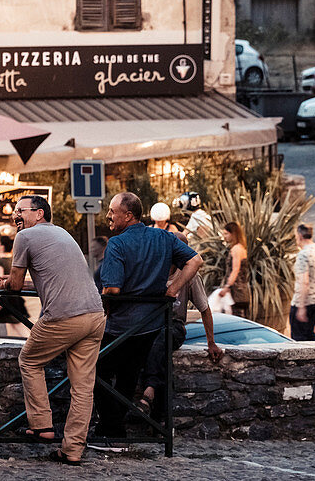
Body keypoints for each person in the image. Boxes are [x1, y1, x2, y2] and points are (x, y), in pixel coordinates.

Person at [0, 195, 105, 466]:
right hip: (94, 315)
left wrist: (3, 283)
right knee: (82, 388)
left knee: (29, 360)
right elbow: (48, 278)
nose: (16, 216)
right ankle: (73, 450)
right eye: (15, 211)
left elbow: (17, 286)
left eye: (21, 211)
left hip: (63, 316)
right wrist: (9, 280)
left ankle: (42, 424)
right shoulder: (62, 234)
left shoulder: (25, 237)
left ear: (40, 213)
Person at [93, 192, 203, 452]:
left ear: (128, 215)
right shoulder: (163, 237)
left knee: (93, 372)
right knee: (128, 377)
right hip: (151, 326)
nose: (108, 215)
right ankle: (113, 432)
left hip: (121, 327)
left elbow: (112, 290)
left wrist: (104, 307)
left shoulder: (117, 244)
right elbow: (195, 260)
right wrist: (172, 289)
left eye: (112, 210)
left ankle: (111, 431)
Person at [137, 232, 223, 419]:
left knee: (162, 338)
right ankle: (160, 421)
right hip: (151, 324)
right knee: (159, 357)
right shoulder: (153, 270)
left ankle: (149, 391)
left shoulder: (190, 275)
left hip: (173, 325)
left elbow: (205, 309)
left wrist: (211, 343)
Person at [0, 234, 29, 337]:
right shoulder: (13, 260)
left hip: (3, 299)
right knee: (18, 325)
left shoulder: (0, 261)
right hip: (14, 298)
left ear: (3, 246)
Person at [289, 223, 315, 341]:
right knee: (309, 334)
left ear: (300, 235)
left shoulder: (303, 254)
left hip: (304, 302)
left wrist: (301, 307)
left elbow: (304, 282)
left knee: (299, 338)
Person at [217, 221, 250, 318]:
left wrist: (227, 286)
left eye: (226, 233)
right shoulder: (241, 248)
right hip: (241, 290)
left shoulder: (236, 249)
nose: (224, 236)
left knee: (237, 318)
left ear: (233, 234)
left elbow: (235, 270)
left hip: (237, 292)